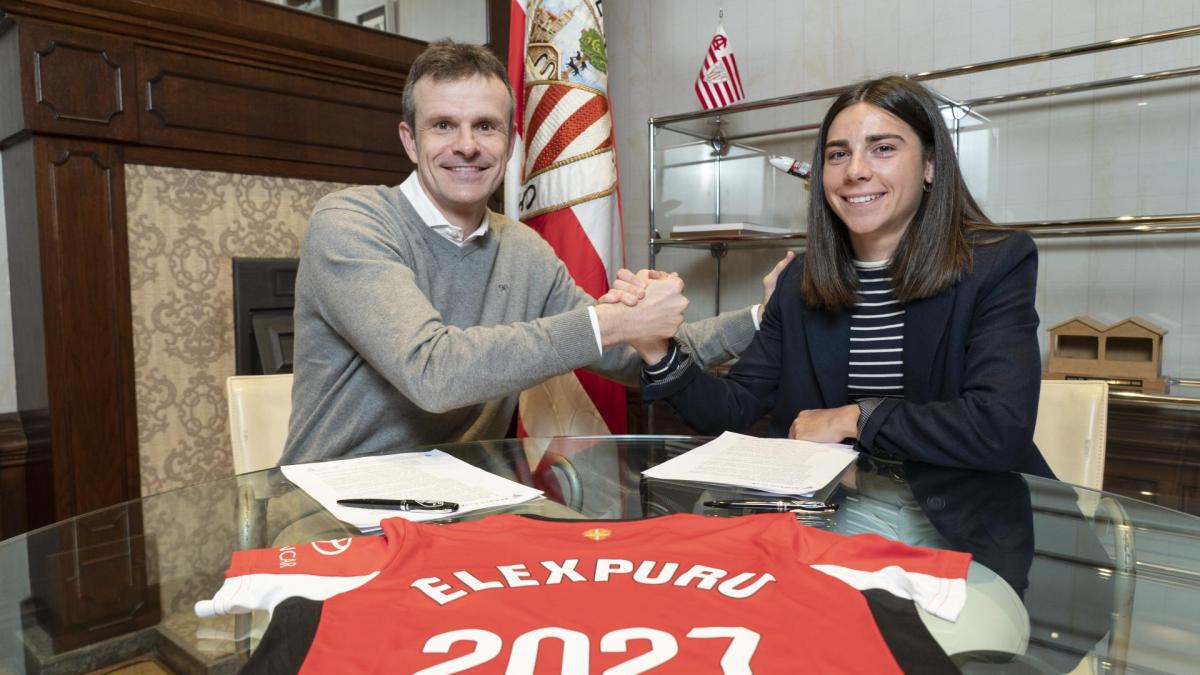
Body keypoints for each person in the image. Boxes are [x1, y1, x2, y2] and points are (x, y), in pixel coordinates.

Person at [281, 40, 769, 465]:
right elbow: (433, 373)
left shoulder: (521, 247)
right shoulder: (350, 221)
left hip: (467, 504)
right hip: (335, 508)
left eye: (486, 126)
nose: (467, 146)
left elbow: (630, 358)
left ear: (512, 143)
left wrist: (767, 315)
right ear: (410, 140)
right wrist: (615, 322)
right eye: (444, 125)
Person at [636, 75, 1054, 477]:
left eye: (883, 148)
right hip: (836, 517)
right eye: (838, 154)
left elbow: (999, 428)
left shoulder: (997, 263)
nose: (855, 170)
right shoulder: (800, 279)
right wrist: (658, 351)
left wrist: (856, 417)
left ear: (930, 165)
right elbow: (735, 406)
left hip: (968, 519)